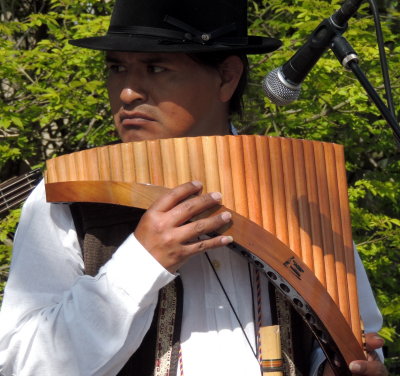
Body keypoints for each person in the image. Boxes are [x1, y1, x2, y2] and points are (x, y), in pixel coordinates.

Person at [0, 0, 387, 375]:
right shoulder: (65, 196)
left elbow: (354, 338)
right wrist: (139, 264)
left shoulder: (301, 189)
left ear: (226, 77)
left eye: (155, 68)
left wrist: (343, 367)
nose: (127, 93)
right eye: (116, 67)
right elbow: (22, 365)